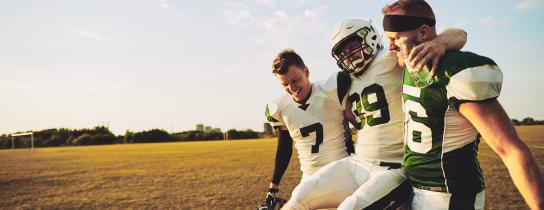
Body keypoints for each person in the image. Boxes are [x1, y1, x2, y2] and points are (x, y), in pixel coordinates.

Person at [281, 19, 467, 210]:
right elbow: (313, 94)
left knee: (349, 208)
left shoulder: (391, 58)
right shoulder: (344, 79)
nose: (348, 56)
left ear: (369, 36)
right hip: (358, 161)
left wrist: (439, 43)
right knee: (299, 196)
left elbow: (459, 34)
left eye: (352, 46)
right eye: (342, 53)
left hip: (393, 166)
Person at [382, 0, 544, 209]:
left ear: (423, 33)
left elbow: (510, 148)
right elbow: (458, 33)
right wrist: (443, 41)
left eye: (395, 38)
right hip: (416, 189)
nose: (390, 47)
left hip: (450, 196)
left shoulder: (453, 70)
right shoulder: (408, 64)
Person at [257, 49, 355, 210]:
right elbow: (284, 147)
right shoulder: (279, 108)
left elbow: (358, 124)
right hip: (309, 177)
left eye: (295, 80)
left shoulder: (332, 89)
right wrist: (273, 188)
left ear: (306, 72)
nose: (292, 87)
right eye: (285, 84)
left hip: (341, 172)